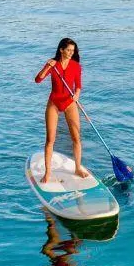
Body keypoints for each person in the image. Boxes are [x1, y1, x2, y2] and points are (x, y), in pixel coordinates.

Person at [34, 37, 89, 183]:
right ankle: (47, 173)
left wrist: (77, 94)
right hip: (54, 102)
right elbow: (38, 80)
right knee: (50, 139)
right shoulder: (53, 65)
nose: (71, 53)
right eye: (68, 50)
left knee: (76, 138)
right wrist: (47, 66)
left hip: (70, 102)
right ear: (61, 50)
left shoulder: (76, 66)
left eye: (73, 51)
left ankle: (77, 167)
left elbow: (78, 85)